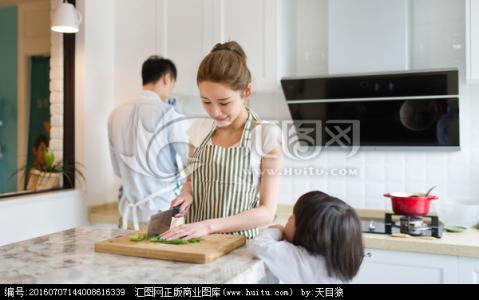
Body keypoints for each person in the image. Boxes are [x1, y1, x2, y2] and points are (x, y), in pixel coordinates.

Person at [161, 41, 283, 240]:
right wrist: (186, 195)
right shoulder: (198, 130)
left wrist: (209, 226)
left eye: (224, 102)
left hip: (240, 248)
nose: (215, 112)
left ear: (246, 92)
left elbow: (267, 211)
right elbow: (191, 180)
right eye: (206, 101)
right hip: (196, 244)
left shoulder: (266, 135)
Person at [108, 55, 189, 230]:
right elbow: (191, 161)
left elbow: (117, 170)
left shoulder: (115, 114)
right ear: (167, 78)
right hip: (161, 213)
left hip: (127, 215)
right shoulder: (169, 114)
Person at [249, 191, 364, 284]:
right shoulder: (336, 261)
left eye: (292, 217)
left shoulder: (300, 259)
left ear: (307, 231)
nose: (288, 220)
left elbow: (258, 244)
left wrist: (277, 230)